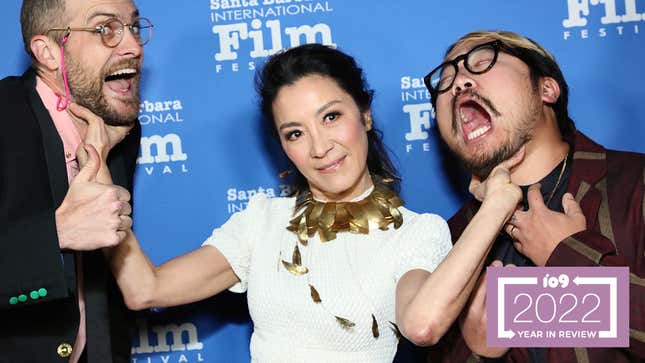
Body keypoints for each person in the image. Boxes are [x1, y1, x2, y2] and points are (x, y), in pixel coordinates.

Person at [74, 43, 521, 363]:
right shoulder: (263, 222)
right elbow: (144, 289)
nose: (320, 146)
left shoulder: (416, 233)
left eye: (331, 117)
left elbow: (423, 326)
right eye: (295, 132)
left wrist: (495, 207)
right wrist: (100, 178)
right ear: (282, 145)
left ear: (364, 114)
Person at [422, 30, 645, 362]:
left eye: (482, 62)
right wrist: (476, 350)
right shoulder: (447, 242)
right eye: (446, 80)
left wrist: (566, 254)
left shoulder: (636, 184)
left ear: (547, 88)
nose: (458, 83)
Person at [0, 0, 149, 362]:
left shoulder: (120, 127)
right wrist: (57, 234)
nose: (133, 46)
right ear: (48, 51)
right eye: (105, 29)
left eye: (133, 27)